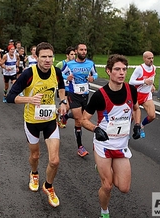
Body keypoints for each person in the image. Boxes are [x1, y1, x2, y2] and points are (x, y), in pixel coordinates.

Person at [6, 42, 67, 208]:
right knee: (35, 156)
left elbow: (61, 87)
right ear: (36, 57)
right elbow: (10, 97)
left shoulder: (57, 71)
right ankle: (34, 173)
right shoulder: (28, 74)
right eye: (43, 57)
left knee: (54, 161)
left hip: (50, 121)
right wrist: (29, 99)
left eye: (50, 56)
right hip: (32, 121)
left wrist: (62, 101)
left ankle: (48, 186)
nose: (47, 60)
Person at [81, 54, 141, 218]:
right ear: (108, 71)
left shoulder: (131, 90)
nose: (121, 73)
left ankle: (102, 169)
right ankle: (104, 212)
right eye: (117, 69)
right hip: (104, 145)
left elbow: (136, 108)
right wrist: (95, 129)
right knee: (107, 186)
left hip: (121, 146)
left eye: (124, 69)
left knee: (124, 188)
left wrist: (137, 124)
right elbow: (83, 119)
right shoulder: (100, 95)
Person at [61, 43, 98, 157]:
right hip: (74, 94)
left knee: (82, 116)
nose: (84, 52)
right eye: (81, 50)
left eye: (85, 50)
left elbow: (95, 74)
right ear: (76, 51)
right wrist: (66, 77)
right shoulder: (70, 64)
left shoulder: (90, 63)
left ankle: (66, 116)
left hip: (85, 94)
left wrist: (93, 78)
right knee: (79, 119)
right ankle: (80, 147)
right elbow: (61, 73)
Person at [128, 51, 156, 137]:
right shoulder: (139, 69)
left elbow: (151, 79)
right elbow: (131, 82)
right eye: (149, 58)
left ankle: (141, 126)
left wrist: (152, 85)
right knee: (131, 117)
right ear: (144, 59)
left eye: (152, 58)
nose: (151, 60)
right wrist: (144, 81)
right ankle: (126, 133)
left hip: (147, 95)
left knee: (152, 116)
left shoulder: (154, 68)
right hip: (136, 95)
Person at [55, 46, 75, 128]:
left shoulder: (75, 65)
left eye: (74, 54)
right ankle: (61, 120)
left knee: (68, 108)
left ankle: (57, 112)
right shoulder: (61, 64)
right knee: (67, 106)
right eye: (71, 54)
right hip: (62, 88)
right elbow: (55, 73)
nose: (73, 56)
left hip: (72, 89)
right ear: (67, 55)